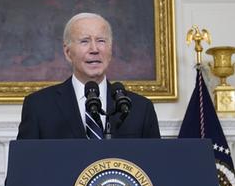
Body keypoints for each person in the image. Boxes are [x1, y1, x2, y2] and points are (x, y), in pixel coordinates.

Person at [17, 12, 161, 139]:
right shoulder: (39, 106)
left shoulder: (141, 108)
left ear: (110, 50)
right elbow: (26, 160)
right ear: (68, 52)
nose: (94, 49)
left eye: (101, 41)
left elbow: (154, 160)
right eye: (84, 41)